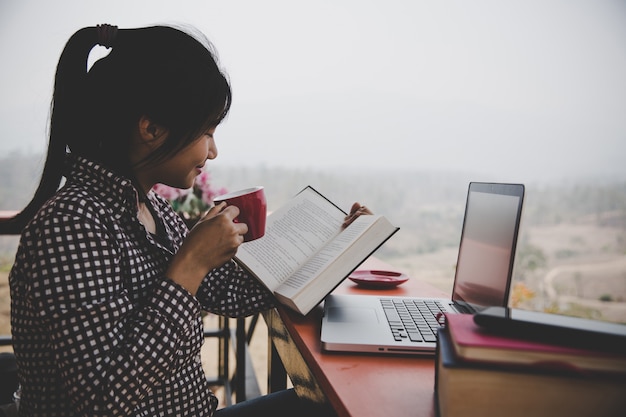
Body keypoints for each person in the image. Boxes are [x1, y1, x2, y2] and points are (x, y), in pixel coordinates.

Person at [4, 24, 372, 417]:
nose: (213, 151)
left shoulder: (153, 211)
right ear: (151, 129)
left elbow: (228, 294)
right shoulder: (71, 225)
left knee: (339, 404)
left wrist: (333, 246)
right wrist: (190, 265)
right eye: (207, 132)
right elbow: (104, 401)